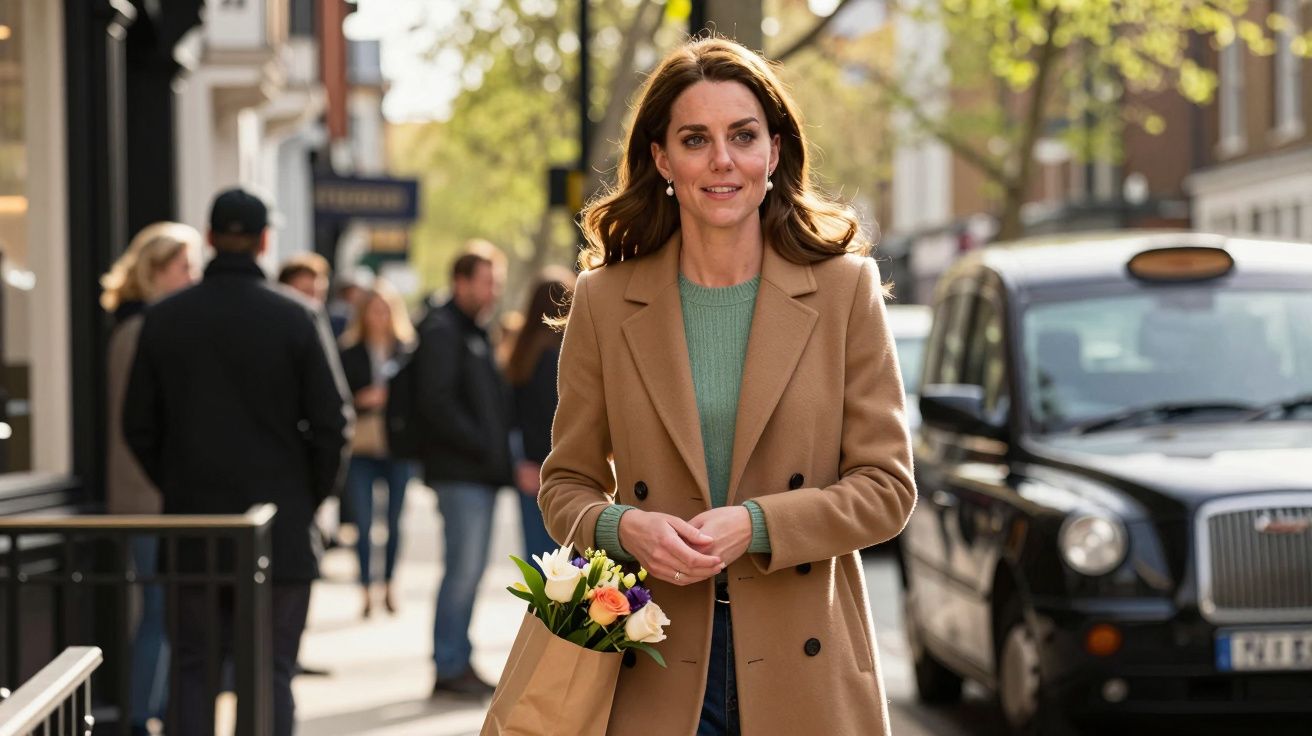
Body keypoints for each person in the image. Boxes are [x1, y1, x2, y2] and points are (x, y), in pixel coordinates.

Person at [537, 38, 917, 736]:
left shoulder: (843, 290)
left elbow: (887, 490)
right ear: (661, 159)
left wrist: (759, 525)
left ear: (773, 151)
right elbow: (564, 486)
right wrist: (626, 528)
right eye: (695, 139)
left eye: (742, 136)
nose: (722, 160)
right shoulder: (605, 300)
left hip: (808, 659)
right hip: (650, 657)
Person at [123, 188, 353, 736]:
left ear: (208, 240)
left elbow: (138, 426)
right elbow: (333, 424)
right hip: (278, 527)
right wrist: (305, 496)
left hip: (194, 523)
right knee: (270, 671)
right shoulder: (297, 316)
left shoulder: (166, 318)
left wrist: (179, 481)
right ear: (265, 241)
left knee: (193, 669)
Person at [101, 221, 200, 736]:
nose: (194, 276)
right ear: (156, 271)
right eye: (185, 266)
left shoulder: (145, 325)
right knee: (159, 609)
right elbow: (139, 425)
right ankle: (141, 717)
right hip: (147, 496)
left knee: (162, 609)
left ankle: (150, 710)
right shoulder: (140, 329)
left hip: (151, 494)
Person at [413, 241, 512, 699]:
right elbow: (435, 403)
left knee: (469, 572)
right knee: (462, 571)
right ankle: (450, 663)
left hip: (477, 472)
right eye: (487, 281)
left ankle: (457, 658)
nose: (494, 291)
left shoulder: (471, 330)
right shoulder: (443, 330)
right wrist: (482, 447)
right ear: (461, 281)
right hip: (460, 473)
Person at [337, 280, 417, 618]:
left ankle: (388, 583)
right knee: (364, 522)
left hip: (398, 447)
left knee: (396, 520)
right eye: (374, 309)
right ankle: (366, 588)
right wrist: (360, 399)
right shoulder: (348, 350)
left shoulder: (407, 350)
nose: (380, 316)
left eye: (385, 309)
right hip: (362, 447)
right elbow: (337, 397)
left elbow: (418, 398)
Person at [505, 268, 575, 561]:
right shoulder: (561, 356)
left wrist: (520, 461)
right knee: (564, 564)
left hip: (529, 469)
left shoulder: (520, 354)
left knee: (538, 562)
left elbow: (511, 415)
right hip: (558, 470)